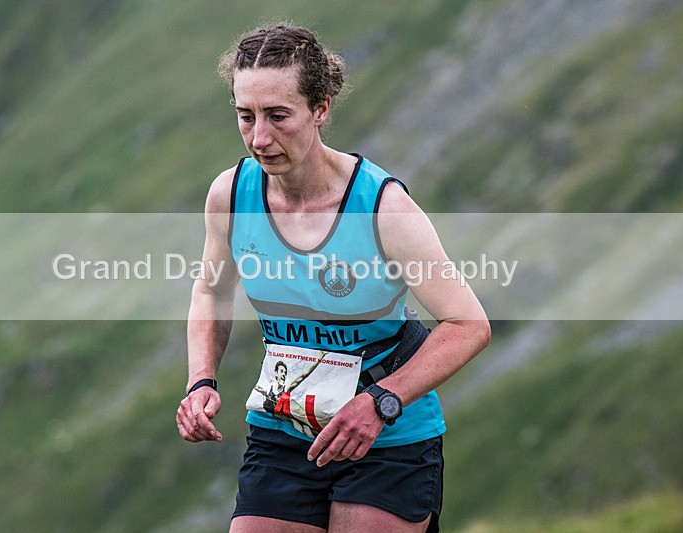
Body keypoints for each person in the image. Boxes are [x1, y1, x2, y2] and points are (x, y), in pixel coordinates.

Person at [176, 23, 491, 533]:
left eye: (279, 116)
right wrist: (200, 380)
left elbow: (467, 324)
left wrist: (379, 402)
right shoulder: (230, 196)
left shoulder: (382, 208)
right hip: (285, 426)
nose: (260, 137)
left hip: (388, 437)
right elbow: (212, 290)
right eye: (246, 116)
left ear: (320, 108)